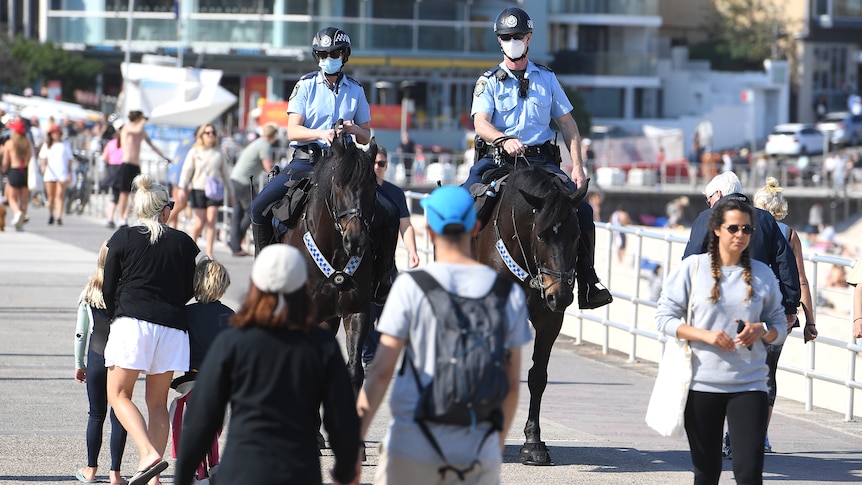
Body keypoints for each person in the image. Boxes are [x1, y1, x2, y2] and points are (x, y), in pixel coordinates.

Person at [356, 185, 531, 484]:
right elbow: (512, 385)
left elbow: (382, 372)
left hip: (412, 445)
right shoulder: (508, 295)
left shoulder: (411, 287)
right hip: (475, 451)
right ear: (475, 227)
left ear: (430, 231)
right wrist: (494, 446)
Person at [462, 6, 611, 310]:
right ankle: (459, 280)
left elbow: (567, 124)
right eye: (506, 36)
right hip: (499, 162)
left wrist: (578, 168)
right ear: (499, 41)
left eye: (517, 35)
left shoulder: (547, 78)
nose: (512, 40)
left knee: (581, 210)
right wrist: (503, 139)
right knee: (465, 203)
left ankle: (588, 281)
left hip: (542, 164)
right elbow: (481, 123)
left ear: (529, 38)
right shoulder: (488, 81)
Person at [175, 245, 361, 485]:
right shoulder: (321, 344)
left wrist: (182, 477)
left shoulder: (233, 341)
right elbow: (341, 417)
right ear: (304, 287)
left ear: (255, 287)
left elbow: (202, 418)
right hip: (299, 470)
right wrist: (345, 470)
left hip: (242, 469)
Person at [656, 198, 788, 485]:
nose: (740, 235)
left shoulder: (763, 274)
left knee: (749, 473)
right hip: (702, 384)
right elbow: (664, 319)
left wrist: (762, 329)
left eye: (747, 229)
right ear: (716, 229)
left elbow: (780, 325)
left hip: (750, 385)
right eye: (733, 228)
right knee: (707, 473)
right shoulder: (692, 269)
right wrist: (706, 335)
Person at [102, 174, 199, 485]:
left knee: (118, 394)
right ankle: (152, 478)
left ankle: (148, 454)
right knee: (156, 403)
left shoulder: (122, 238)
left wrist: (117, 312)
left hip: (132, 322)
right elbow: (188, 289)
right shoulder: (184, 243)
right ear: (164, 211)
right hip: (172, 328)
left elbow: (108, 287)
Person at [250, 26, 371, 254]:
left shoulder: (356, 90)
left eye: (334, 54)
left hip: (343, 163)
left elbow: (366, 137)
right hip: (306, 162)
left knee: (386, 207)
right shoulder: (304, 86)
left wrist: (353, 128)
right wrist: (320, 133)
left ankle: (383, 274)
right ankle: (264, 264)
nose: (328, 59)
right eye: (323, 55)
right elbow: (293, 131)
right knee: (258, 206)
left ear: (344, 55)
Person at [732, 177, 818, 456]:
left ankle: (734, 435)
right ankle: (760, 436)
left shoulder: (745, 227)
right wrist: (809, 320)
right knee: (768, 374)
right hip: (780, 315)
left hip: (746, 310)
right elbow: (801, 280)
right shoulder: (790, 234)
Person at [683, 171, 800, 327]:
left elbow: (691, 261)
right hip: (756, 303)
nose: (709, 203)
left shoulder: (707, 216)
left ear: (718, 194)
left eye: (709, 199)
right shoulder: (765, 218)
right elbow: (784, 262)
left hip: (716, 302)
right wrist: (789, 305)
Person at [74, 241, 128, 485]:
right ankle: (115, 473)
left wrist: (79, 362)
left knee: (96, 414)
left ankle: (90, 470)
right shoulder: (126, 288)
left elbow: (80, 333)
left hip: (96, 355)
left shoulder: (90, 290)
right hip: (121, 357)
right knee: (120, 413)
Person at [362, 146, 420, 367]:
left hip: (387, 265)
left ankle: (376, 355)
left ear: (387, 166)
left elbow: (406, 225)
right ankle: (368, 358)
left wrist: (412, 251)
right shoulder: (358, 192)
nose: (377, 168)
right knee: (365, 317)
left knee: (390, 318)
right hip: (362, 265)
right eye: (374, 163)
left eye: (382, 164)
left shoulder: (396, 193)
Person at [178, 123, 233, 258]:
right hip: (198, 189)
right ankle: (191, 247)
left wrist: (231, 192)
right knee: (199, 222)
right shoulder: (195, 151)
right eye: (207, 133)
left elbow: (225, 173)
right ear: (202, 135)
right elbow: (187, 171)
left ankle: (209, 252)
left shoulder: (219, 151)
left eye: (213, 132)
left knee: (211, 220)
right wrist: (182, 187)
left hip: (215, 190)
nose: (211, 135)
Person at [229, 122, 276, 257]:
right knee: (253, 211)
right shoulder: (265, 145)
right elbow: (268, 167)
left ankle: (234, 244)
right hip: (244, 181)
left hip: (236, 178)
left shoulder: (257, 142)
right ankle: (235, 242)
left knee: (237, 214)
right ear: (273, 136)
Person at [116, 110, 170, 228]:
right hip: (127, 163)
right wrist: (142, 121)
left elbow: (151, 145)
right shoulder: (127, 127)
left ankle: (126, 216)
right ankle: (121, 218)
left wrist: (164, 157)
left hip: (135, 164)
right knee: (124, 193)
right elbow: (136, 130)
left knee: (136, 193)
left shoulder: (141, 131)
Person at [166, 126, 204, 230]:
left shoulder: (187, 140)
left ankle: (172, 228)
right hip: (180, 176)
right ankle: (163, 225)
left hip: (173, 174)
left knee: (176, 204)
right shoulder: (195, 144)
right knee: (181, 204)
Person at [39, 124, 74, 225]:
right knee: (50, 196)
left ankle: (59, 216)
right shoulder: (47, 145)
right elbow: (43, 158)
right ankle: (51, 214)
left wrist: (69, 172)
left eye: (57, 132)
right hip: (50, 172)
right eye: (54, 133)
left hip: (62, 172)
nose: (56, 135)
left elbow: (69, 159)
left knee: (59, 195)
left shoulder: (65, 144)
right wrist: (43, 166)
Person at [1, 119, 32, 231]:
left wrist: (3, 170)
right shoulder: (27, 143)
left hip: (14, 170)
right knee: (23, 199)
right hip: (25, 171)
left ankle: (17, 213)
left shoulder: (9, 143)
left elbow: (5, 162)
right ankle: (21, 224)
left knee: (11, 197)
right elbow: (29, 158)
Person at [101, 118, 125, 229]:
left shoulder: (111, 143)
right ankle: (122, 219)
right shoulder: (125, 143)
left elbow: (104, 157)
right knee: (123, 196)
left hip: (112, 168)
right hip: (122, 169)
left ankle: (110, 218)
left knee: (114, 196)